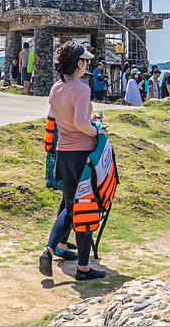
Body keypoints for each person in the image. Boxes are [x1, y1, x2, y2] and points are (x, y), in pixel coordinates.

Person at [38, 41, 108, 281]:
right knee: (87, 209)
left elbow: (67, 120)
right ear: (79, 64)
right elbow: (80, 124)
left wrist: (89, 118)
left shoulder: (55, 88)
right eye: (85, 61)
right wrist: (97, 130)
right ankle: (84, 268)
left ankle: (49, 248)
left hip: (63, 154)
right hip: (82, 157)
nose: (87, 64)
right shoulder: (82, 88)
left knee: (70, 207)